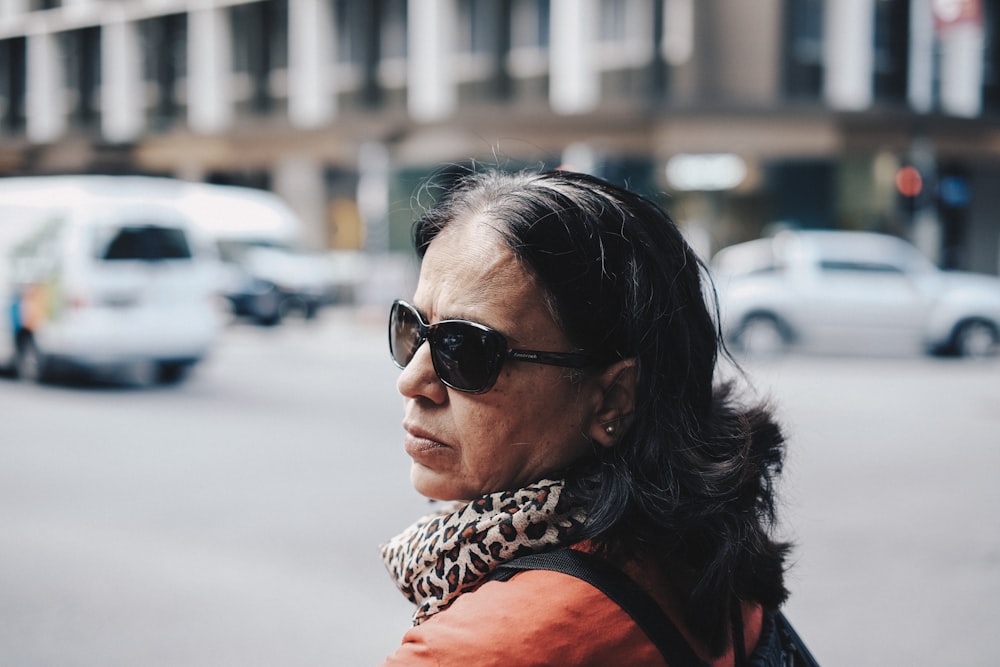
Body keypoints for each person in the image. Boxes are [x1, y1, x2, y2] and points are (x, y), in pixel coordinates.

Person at [379, 168, 795, 666]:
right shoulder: (704, 552)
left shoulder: (480, 649)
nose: (412, 381)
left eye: (466, 349)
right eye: (413, 329)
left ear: (612, 399)